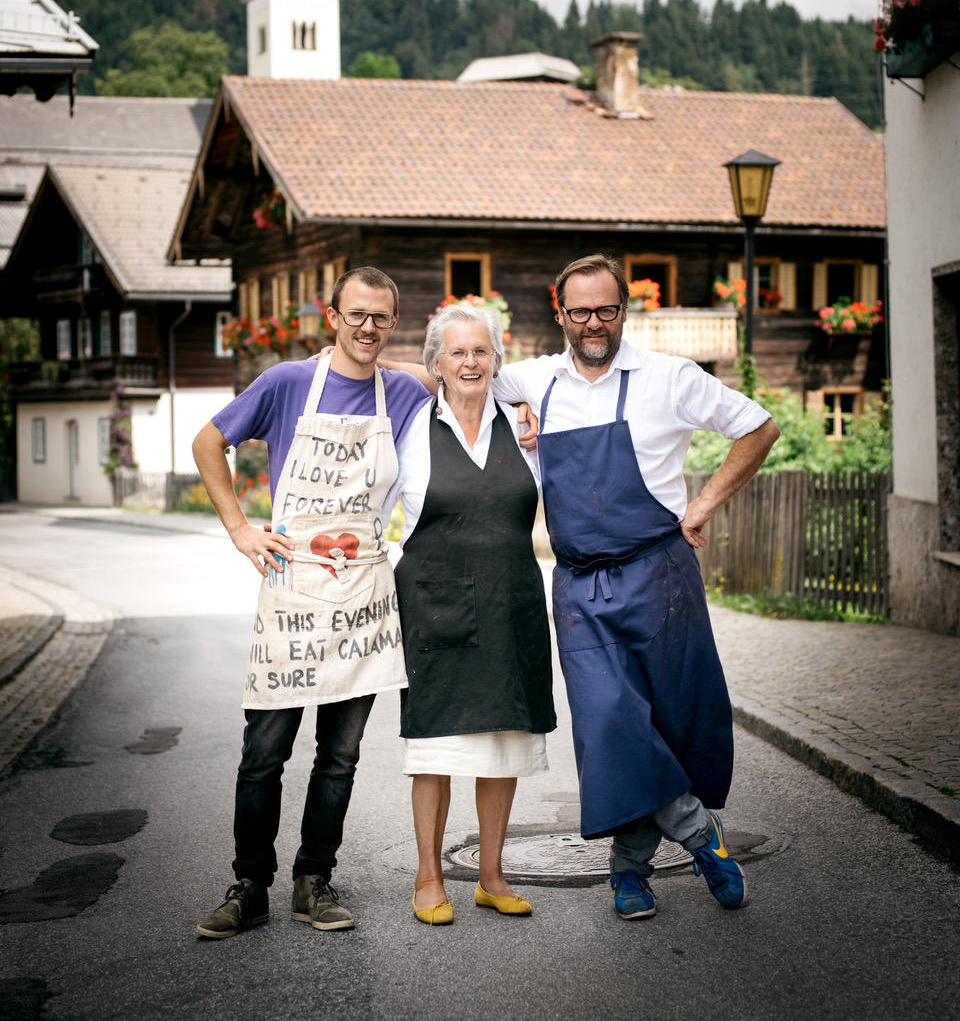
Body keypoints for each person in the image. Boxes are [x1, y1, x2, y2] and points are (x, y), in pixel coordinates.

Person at [381, 255, 779, 921]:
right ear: (558, 312)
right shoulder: (532, 380)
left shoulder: (669, 377)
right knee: (609, 722)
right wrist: (352, 361)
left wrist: (705, 503)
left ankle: (630, 872)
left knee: (668, 719)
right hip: (579, 586)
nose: (594, 323)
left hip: (659, 574)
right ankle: (697, 832)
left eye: (607, 310)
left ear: (625, 310)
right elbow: (452, 368)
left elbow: (759, 426)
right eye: (580, 311)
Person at [192, 267, 430, 939]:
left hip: (362, 595)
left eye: (381, 317)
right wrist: (239, 527)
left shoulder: (403, 392)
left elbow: (464, 372)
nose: (367, 327)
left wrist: (520, 410)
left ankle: (313, 881)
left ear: (392, 322)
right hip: (293, 592)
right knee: (264, 751)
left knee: (340, 755)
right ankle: (249, 885)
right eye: (355, 315)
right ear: (331, 315)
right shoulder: (287, 383)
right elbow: (210, 442)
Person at [391, 302, 556, 925]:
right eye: (456, 352)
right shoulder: (410, 426)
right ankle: (429, 877)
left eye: (480, 351)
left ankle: (491, 875)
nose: (469, 361)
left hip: (511, 602)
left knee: (501, 743)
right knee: (435, 748)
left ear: (496, 361)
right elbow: (377, 511)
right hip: (435, 607)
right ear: (435, 363)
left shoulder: (523, 427)